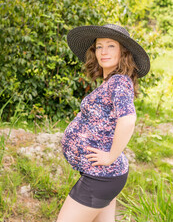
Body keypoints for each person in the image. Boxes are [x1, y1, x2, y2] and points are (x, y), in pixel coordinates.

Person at [56, 24, 150, 222]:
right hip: (105, 175)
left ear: (123, 52)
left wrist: (110, 156)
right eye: (99, 46)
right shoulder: (112, 82)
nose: (103, 52)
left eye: (111, 46)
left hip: (101, 176)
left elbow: (128, 119)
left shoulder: (119, 82)